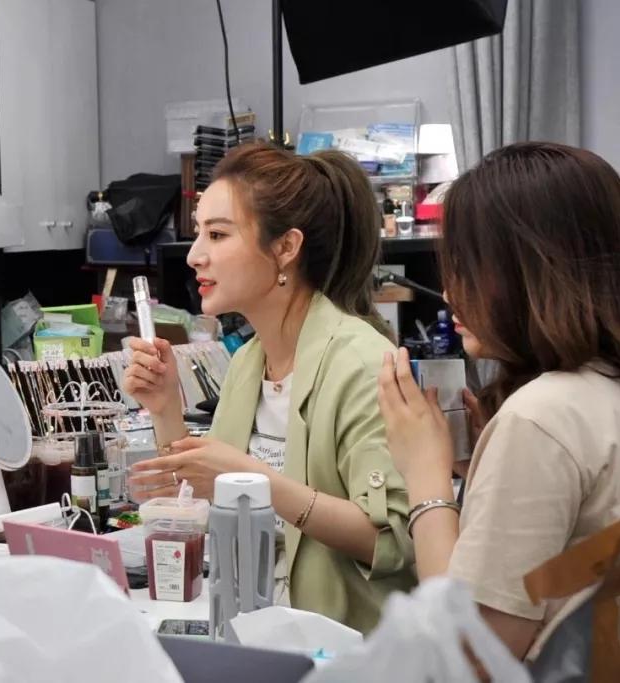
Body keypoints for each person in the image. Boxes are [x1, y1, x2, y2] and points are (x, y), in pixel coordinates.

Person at [124, 142, 416, 633]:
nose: (195, 256)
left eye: (218, 234)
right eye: (198, 233)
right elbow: (201, 498)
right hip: (254, 632)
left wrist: (255, 481)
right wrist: (165, 408)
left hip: (342, 649)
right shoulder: (247, 364)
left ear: (285, 248)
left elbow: (391, 538)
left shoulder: (362, 363)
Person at [378, 141, 620, 660]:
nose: (450, 292)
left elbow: (471, 657)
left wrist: (426, 478)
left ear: (531, 268)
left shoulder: (542, 417)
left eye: (469, 266)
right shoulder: (597, 392)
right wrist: (485, 473)